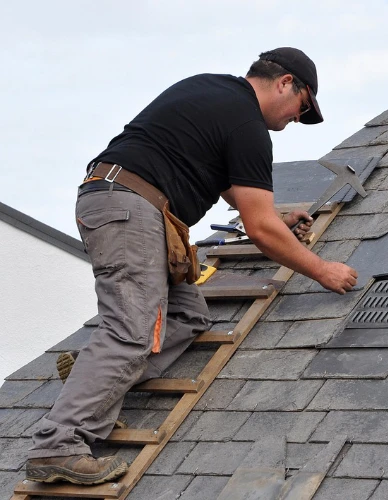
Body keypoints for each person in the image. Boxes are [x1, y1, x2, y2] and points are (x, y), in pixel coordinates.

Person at [25, 47, 358, 485]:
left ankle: (90, 376)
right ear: (285, 83)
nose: (299, 117)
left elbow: (237, 194)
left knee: (187, 315)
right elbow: (258, 229)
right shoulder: (249, 126)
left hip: (123, 202)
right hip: (132, 209)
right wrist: (322, 270)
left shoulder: (210, 90)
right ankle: (59, 445)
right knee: (132, 330)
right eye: (303, 106)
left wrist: (279, 215)